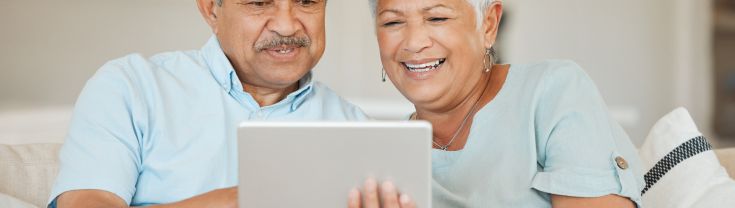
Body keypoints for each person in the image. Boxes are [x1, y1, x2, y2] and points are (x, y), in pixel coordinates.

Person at [48, 0, 366, 207]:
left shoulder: (357, 129)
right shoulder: (130, 88)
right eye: (259, 3)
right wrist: (233, 202)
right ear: (210, 8)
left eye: (307, 1)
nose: (286, 25)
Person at [349, 0, 645, 207]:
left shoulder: (553, 92)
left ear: (488, 25)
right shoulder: (385, 158)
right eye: (393, 22)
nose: (413, 42)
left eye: (437, 17)